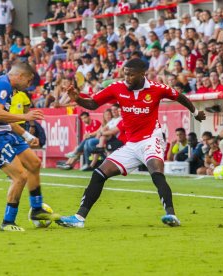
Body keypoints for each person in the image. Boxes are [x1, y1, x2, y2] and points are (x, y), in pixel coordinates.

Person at [56, 58, 206, 228]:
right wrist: (78, 100)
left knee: (156, 173)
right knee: (99, 173)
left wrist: (195, 112)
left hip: (151, 138)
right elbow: (92, 103)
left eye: (131, 75)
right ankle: (79, 218)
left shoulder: (157, 89)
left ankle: (171, 215)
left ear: (142, 74)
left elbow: (179, 96)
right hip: (131, 144)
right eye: (125, 74)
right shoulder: (117, 87)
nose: (126, 78)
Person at [0, 62, 60, 232]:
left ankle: (37, 210)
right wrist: (26, 116)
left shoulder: (4, 85)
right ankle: (7, 222)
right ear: (19, 76)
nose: (29, 86)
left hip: (4, 132)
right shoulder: (3, 84)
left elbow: (5, 118)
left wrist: (27, 135)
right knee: (20, 176)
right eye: (28, 81)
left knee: (34, 163)